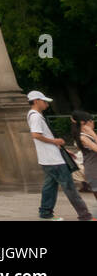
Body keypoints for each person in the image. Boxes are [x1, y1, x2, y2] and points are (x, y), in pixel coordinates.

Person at [28, 90, 91, 220]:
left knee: (50, 186)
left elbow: (42, 135)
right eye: (44, 101)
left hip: (49, 158)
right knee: (69, 187)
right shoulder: (35, 116)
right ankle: (85, 216)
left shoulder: (35, 115)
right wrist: (55, 141)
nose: (46, 104)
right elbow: (36, 135)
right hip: (53, 159)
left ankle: (45, 213)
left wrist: (60, 148)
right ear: (36, 101)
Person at [71, 110, 97, 206]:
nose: (93, 122)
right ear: (83, 122)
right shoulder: (83, 137)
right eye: (91, 120)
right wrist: (93, 134)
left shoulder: (87, 136)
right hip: (94, 171)